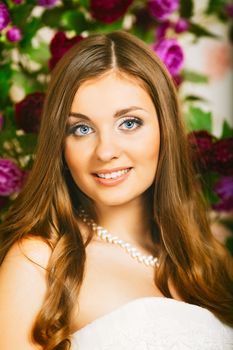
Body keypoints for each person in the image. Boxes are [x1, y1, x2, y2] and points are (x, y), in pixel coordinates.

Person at [0, 30, 232, 350]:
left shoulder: (209, 258)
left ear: (165, 128)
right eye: (81, 129)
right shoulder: (39, 262)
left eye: (129, 123)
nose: (105, 151)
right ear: (60, 145)